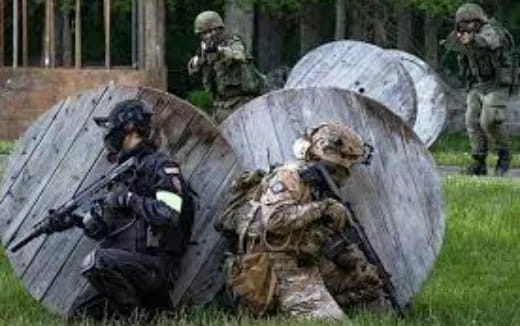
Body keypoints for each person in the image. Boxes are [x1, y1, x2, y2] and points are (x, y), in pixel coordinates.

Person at [216, 122, 392, 319]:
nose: (348, 173)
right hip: (273, 270)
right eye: (347, 165)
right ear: (334, 159)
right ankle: (288, 308)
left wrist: (357, 263)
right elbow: (275, 220)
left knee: (366, 281)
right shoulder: (289, 176)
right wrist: (322, 208)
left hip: (305, 265)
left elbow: (329, 240)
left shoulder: (320, 188)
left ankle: (300, 308)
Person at [66, 100, 194, 320]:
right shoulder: (122, 173)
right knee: (78, 317)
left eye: (112, 127)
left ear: (129, 127)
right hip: (125, 269)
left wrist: (129, 198)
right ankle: (155, 315)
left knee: (97, 261)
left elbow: (169, 213)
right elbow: (104, 230)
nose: (108, 136)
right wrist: (74, 220)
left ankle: (139, 320)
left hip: (154, 267)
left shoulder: (160, 165)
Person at [452, 3, 516, 176]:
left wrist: (472, 40)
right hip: (477, 84)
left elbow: (490, 42)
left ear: (477, 21)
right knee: (471, 121)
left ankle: (504, 156)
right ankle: (478, 163)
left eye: (467, 23)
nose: (464, 27)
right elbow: (458, 50)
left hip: (496, 84)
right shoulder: (467, 35)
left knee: (489, 122)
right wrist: (459, 41)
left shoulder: (491, 30)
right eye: (462, 24)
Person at [187, 11, 262, 123]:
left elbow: (239, 55)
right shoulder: (204, 50)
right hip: (219, 105)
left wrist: (220, 51)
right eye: (203, 33)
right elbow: (192, 70)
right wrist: (198, 60)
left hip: (240, 103)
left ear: (218, 29)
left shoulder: (232, 41)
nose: (207, 36)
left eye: (210, 31)